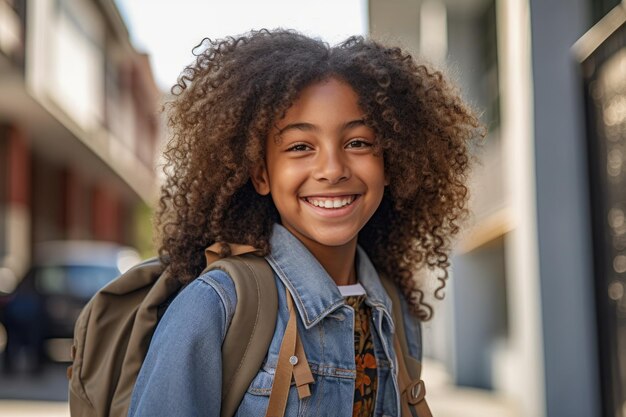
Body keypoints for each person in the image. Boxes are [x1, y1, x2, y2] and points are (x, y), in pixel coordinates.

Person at [128, 29, 480, 417]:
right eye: (300, 147)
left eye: (358, 142)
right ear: (261, 174)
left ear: (391, 162)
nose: (332, 169)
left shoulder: (394, 309)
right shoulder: (216, 305)